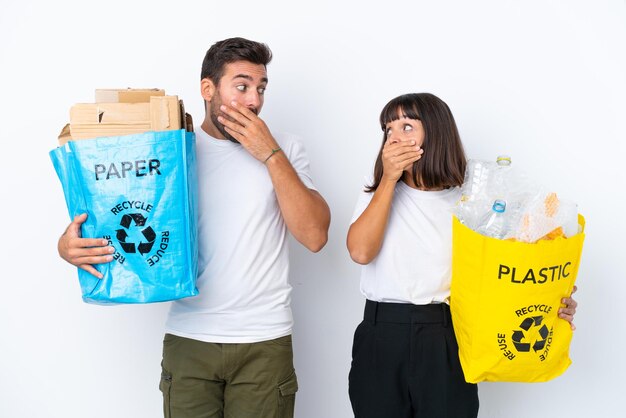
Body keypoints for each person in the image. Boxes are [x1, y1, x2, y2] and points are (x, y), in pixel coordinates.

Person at [57, 37, 331, 418]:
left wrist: (270, 154)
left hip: (264, 341)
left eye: (261, 88)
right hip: (190, 338)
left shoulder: (285, 147)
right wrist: (68, 246)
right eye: (241, 85)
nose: (254, 100)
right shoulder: (169, 151)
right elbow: (119, 212)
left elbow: (315, 236)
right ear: (208, 88)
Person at [346, 93, 578, 418]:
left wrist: (550, 298)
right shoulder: (378, 192)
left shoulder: (472, 204)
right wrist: (387, 179)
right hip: (381, 333)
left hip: (445, 335)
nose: (395, 137)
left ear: (436, 133)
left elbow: (505, 270)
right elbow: (359, 251)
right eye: (388, 130)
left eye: (407, 126)